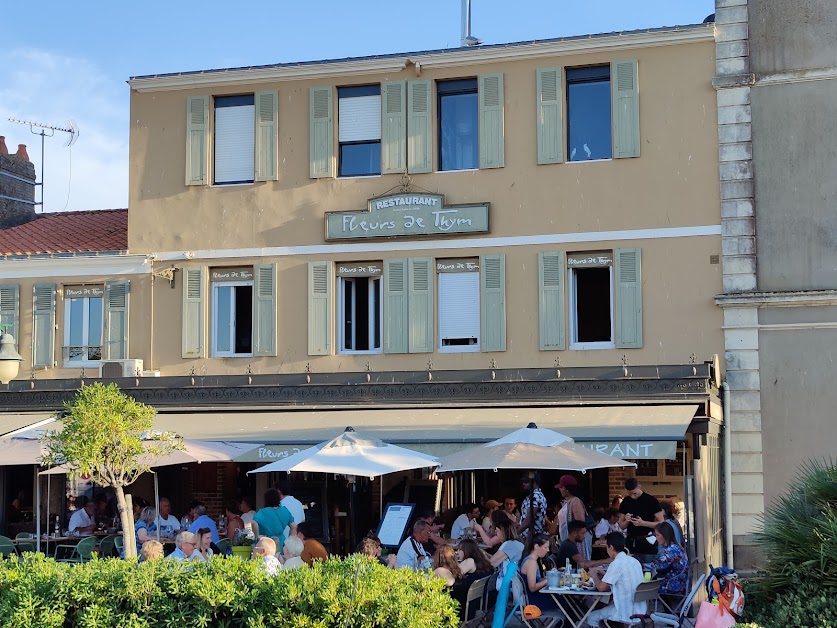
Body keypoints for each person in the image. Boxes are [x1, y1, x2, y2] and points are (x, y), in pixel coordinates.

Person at [586, 532, 646, 627]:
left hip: (626, 611)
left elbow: (601, 588)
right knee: (605, 608)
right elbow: (622, 580)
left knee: (591, 616)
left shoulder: (617, 563)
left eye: (606, 547)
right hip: (640, 609)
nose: (606, 550)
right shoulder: (634, 561)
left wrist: (594, 575)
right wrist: (606, 575)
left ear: (611, 547)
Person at [618, 478, 664, 564]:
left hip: (647, 541)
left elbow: (661, 522)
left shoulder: (651, 500)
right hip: (631, 542)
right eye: (629, 494)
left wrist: (643, 523)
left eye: (634, 493)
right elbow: (621, 525)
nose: (632, 496)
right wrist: (627, 520)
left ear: (639, 487)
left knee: (648, 570)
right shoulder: (626, 501)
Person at [519, 532, 560, 611]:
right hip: (533, 601)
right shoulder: (531, 563)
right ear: (536, 546)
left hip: (533, 598)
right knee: (566, 601)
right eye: (545, 547)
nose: (548, 550)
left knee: (566, 601)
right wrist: (548, 580)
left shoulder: (530, 560)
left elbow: (536, 580)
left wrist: (550, 576)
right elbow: (532, 587)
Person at [643, 523, 688, 595]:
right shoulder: (676, 547)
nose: (656, 538)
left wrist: (639, 565)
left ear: (665, 535)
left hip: (673, 586)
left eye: (657, 535)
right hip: (679, 584)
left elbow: (658, 565)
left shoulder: (672, 550)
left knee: (644, 591)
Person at [517, 472, 548, 542]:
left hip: (532, 538)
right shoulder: (532, 496)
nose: (523, 484)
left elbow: (529, 519)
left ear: (533, 482)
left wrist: (516, 533)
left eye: (526, 482)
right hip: (529, 537)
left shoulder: (535, 496)